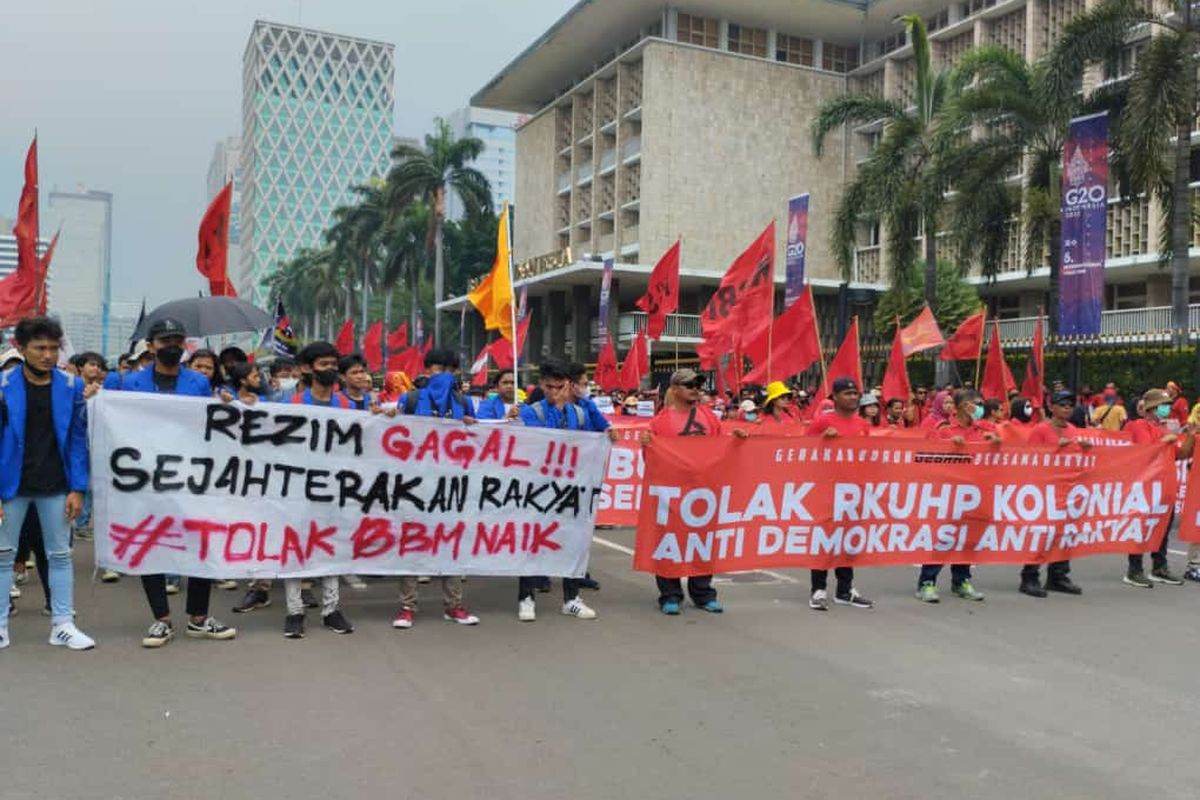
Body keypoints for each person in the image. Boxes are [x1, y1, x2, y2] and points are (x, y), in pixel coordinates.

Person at [112, 317, 238, 647]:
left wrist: (227, 399)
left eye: (178, 340)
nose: (172, 346)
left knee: (200, 542)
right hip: (146, 477)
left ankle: (198, 617)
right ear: (151, 346)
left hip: (191, 477)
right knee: (150, 543)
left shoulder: (198, 382)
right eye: (165, 340)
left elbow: (213, 417)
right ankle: (161, 619)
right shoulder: (129, 383)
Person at [0, 317, 95, 651]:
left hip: (56, 486)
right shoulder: (3, 385)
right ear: (21, 348)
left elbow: (77, 442)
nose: (48, 355)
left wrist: (78, 488)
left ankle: (63, 624)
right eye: (40, 348)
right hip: (9, 486)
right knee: (2, 555)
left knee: (60, 555)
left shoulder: (70, 388)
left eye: (54, 348)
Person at [514, 358, 619, 622]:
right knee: (534, 541)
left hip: (573, 491)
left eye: (560, 387)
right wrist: (556, 408)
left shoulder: (581, 413)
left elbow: (600, 435)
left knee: (573, 542)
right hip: (538, 490)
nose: (554, 392)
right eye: (549, 387)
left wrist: (609, 433)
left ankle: (571, 598)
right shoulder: (530, 411)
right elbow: (536, 443)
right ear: (541, 384)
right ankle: (526, 597)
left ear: (569, 385)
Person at [642, 369, 747, 614]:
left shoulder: (709, 417)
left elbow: (720, 449)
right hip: (672, 493)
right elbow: (651, 460)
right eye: (689, 384)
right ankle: (670, 594)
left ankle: (703, 593)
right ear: (675, 388)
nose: (695, 389)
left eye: (698, 385)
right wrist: (647, 445)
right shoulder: (660, 421)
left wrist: (737, 441)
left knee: (702, 542)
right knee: (669, 542)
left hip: (703, 491)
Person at [392, 347, 479, 629]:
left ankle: (453, 605)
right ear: (427, 371)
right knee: (410, 544)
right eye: (438, 369)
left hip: (451, 486)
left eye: (449, 370)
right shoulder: (411, 398)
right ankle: (407, 606)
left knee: (451, 544)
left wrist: (471, 427)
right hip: (414, 484)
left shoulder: (463, 403)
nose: (443, 375)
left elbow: (476, 441)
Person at [277, 341, 356, 639]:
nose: (332, 370)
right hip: (296, 489)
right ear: (307, 369)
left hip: (335, 489)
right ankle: (294, 611)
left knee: (330, 546)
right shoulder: (291, 405)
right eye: (325, 365)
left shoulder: (347, 405)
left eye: (334, 365)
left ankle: (331, 609)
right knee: (293, 546)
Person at [917, 389, 997, 603]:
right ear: (962, 406)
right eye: (975, 403)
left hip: (975, 493)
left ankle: (961, 580)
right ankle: (927, 582)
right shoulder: (944, 430)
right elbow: (926, 458)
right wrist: (950, 447)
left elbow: (1005, 454)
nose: (979, 407)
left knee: (967, 538)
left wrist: (996, 442)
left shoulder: (985, 429)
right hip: (949, 494)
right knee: (944, 536)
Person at [803, 378, 874, 611]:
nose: (853, 397)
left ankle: (845, 590)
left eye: (856, 393)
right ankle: (818, 589)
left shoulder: (862, 424)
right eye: (848, 393)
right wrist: (823, 440)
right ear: (835, 397)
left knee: (848, 540)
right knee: (824, 540)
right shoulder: (822, 422)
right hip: (826, 490)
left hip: (853, 490)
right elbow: (803, 452)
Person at [1018, 390, 1090, 597]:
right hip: (1045, 490)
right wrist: (1054, 450)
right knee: (1042, 534)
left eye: (1070, 404)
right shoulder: (1041, 430)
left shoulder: (1073, 429)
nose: (1067, 408)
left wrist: (1084, 450)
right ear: (1052, 407)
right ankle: (1029, 576)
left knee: (1065, 533)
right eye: (1062, 404)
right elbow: (1029, 458)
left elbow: (1075, 458)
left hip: (1068, 490)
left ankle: (1058, 575)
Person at [1123, 388, 1192, 588]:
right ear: (1152, 407)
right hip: (1145, 487)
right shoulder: (1138, 425)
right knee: (1141, 527)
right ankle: (1134, 569)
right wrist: (1165, 440)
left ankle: (1159, 567)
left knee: (1162, 528)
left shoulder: (1163, 428)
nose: (1167, 409)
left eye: (1169, 405)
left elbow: (1181, 454)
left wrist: (1191, 436)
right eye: (1164, 405)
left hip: (1165, 487)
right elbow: (1146, 452)